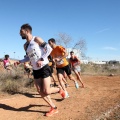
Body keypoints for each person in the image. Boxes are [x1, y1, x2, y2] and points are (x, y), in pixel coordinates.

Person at [15, 24, 67, 117]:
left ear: (27, 31)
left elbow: (49, 49)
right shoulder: (25, 45)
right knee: (39, 90)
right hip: (35, 70)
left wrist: (41, 59)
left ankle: (59, 89)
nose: (19, 33)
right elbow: (28, 58)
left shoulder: (36, 39)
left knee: (46, 91)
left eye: (21, 31)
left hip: (44, 67)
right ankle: (53, 108)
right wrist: (20, 61)